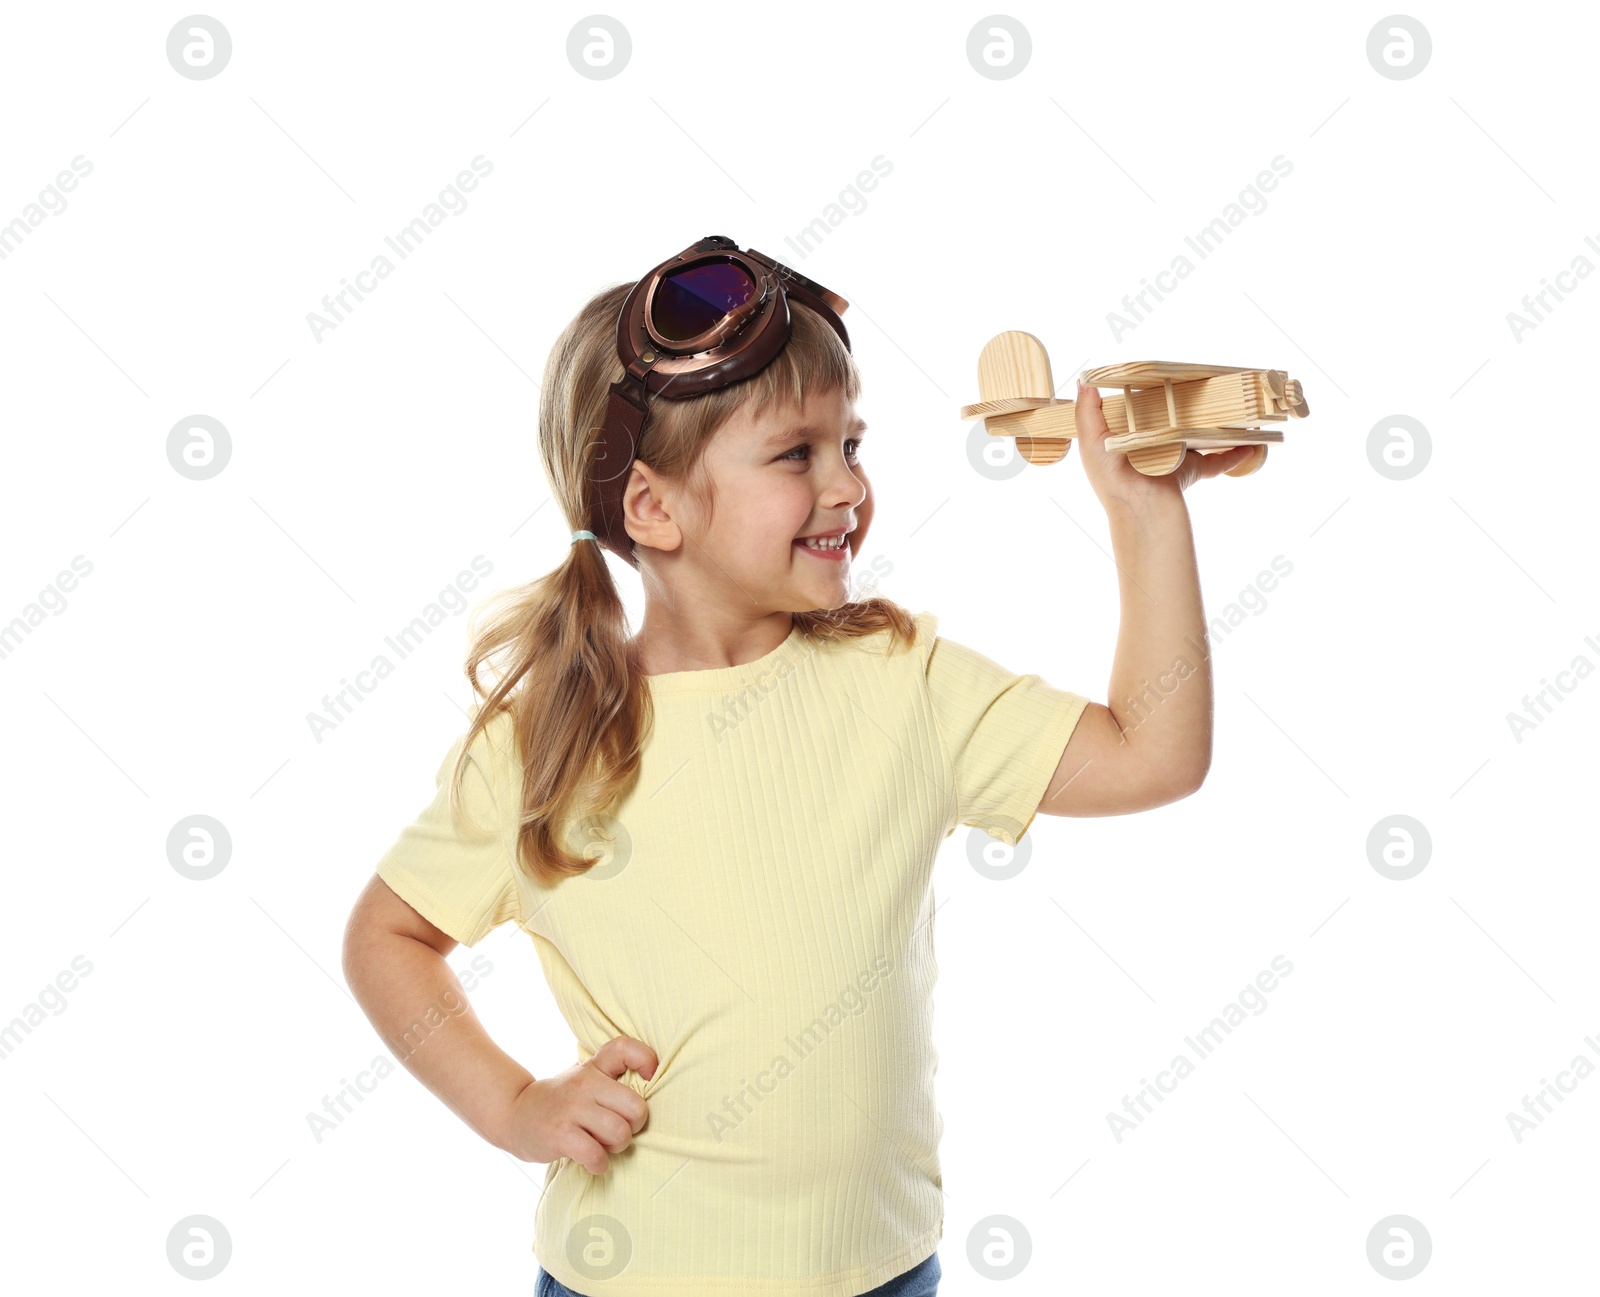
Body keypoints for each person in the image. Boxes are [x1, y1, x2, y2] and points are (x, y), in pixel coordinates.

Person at [341, 237, 1248, 1297]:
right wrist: (511, 1105)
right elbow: (389, 935)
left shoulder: (901, 681)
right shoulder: (548, 745)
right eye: (795, 455)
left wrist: (1145, 516)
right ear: (651, 508)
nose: (848, 488)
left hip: (880, 1273)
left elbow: (1153, 754)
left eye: (852, 444)